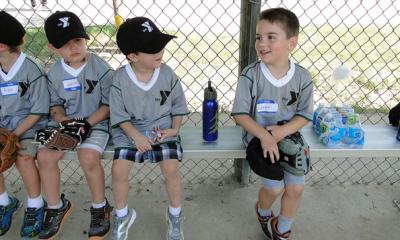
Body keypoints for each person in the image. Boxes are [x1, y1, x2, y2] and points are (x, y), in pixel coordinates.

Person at [231, 8, 314, 240]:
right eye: (259, 37)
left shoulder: (302, 77)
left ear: (291, 43)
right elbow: (240, 115)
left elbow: (305, 115)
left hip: (289, 136)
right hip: (258, 136)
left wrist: (282, 132)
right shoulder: (251, 75)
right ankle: (263, 210)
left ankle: (283, 228)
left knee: (296, 188)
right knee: (274, 187)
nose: (262, 43)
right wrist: (266, 136)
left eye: (271, 37)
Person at [110, 17, 189, 240]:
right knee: (119, 170)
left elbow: (178, 106)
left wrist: (174, 130)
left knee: (171, 168)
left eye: (160, 44)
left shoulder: (167, 74)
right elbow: (119, 115)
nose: (160, 51)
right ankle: (122, 215)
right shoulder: (119, 79)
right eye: (152, 48)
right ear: (132, 56)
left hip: (162, 128)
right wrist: (135, 136)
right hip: (129, 131)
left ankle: (175, 215)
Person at [37, 11, 113, 239]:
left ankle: (100, 208)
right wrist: (64, 121)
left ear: (86, 39)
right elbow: (55, 106)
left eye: (78, 41)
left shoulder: (101, 67)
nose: (74, 48)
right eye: (66, 44)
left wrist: (87, 123)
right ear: (52, 48)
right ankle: (55, 206)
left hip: (96, 122)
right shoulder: (55, 73)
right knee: (44, 156)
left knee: (88, 156)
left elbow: (109, 105)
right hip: (68, 124)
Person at [0, 11, 49, 238]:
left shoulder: (31, 68)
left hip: (31, 125)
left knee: (23, 156)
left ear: (1, 46)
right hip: (4, 126)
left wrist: (13, 136)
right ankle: (4, 202)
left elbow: (39, 110)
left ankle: (35, 204)